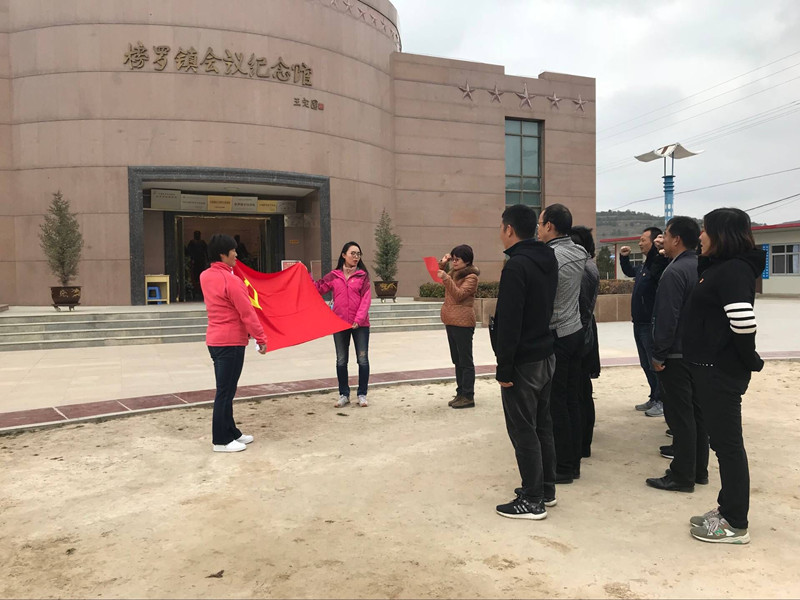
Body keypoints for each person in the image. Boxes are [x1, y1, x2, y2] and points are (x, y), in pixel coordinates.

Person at [683, 208, 765, 544]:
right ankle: (726, 507)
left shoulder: (733, 270)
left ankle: (735, 523)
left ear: (722, 234)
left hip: (720, 372)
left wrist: (748, 360)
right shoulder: (721, 267)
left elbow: (743, 321)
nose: (700, 235)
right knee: (721, 442)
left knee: (728, 445)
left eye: (705, 229)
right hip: (710, 369)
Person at [492, 204, 559, 520]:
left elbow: (510, 321)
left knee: (523, 430)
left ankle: (532, 500)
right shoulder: (547, 258)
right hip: (545, 353)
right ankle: (545, 489)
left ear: (509, 229)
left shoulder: (517, 266)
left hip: (524, 360)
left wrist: (504, 367)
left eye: (501, 227)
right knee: (542, 425)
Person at [645, 216, 708, 493]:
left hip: (676, 355)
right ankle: (699, 470)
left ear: (677, 239)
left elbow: (667, 317)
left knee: (680, 417)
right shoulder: (700, 266)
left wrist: (659, 354)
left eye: (667, 236)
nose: (664, 241)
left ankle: (681, 476)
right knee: (696, 414)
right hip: (697, 353)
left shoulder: (675, 272)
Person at [200, 233, 267, 453]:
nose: (236, 254)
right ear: (223, 254)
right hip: (230, 342)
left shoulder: (205, 276)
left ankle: (231, 432)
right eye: (233, 250)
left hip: (216, 340)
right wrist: (261, 337)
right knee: (225, 391)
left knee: (227, 389)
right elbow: (247, 312)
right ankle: (220, 440)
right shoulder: (231, 280)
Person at [537, 204, 589, 483]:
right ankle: (574, 460)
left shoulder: (551, 256)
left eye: (540, 223)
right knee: (571, 399)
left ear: (550, 226)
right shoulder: (579, 251)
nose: (538, 229)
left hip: (557, 333)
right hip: (575, 330)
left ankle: (564, 467)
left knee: (556, 403)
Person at [313, 242, 372, 408]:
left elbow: (366, 299)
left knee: (363, 360)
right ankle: (344, 394)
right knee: (341, 360)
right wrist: (305, 275)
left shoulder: (363, 276)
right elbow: (318, 288)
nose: (356, 257)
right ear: (343, 255)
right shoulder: (334, 276)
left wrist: (358, 319)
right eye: (353, 253)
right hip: (339, 324)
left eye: (358, 254)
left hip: (360, 325)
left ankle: (362, 394)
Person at [620, 227, 669, 416]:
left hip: (650, 323)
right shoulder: (644, 265)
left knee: (653, 364)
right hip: (639, 322)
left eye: (643, 240)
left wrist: (658, 252)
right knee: (645, 363)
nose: (639, 243)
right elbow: (630, 271)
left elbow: (657, 276)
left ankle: (661, 400)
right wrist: (624, 258)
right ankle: (653, 396)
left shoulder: (658, 263)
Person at [569, 226, 600, 459]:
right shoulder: (588, 265)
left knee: (578, 392)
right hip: (585, 333)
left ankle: (581, 444)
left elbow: (579, 308)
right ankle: (583, 443)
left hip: (580, 335)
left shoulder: (583, 269)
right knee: (582, 390)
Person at [437, 245, 480, 409]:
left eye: (457, 259)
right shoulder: (453, 273)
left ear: (467, 261)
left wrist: (446, 278)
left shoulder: (471, 277)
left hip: (463, 322)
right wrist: (443, 263)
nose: (454, 262)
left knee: (465, 360)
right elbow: (439, 276)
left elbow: (459, 295)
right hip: (451, 320)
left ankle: (468, 395)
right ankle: (460, 392)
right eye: (453, 259)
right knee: (457, 360)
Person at [186, 230, 209, 300]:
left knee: (202, 275)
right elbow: (188, 252)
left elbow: (206, 252)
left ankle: (201, 289)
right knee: (195, 277)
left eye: (198, 234)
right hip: (195, 262)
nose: (197, 236)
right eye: (196, 234)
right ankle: (195, 290)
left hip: (201, 262)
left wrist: (207, 261)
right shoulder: (192, 243)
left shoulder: (202, 243)